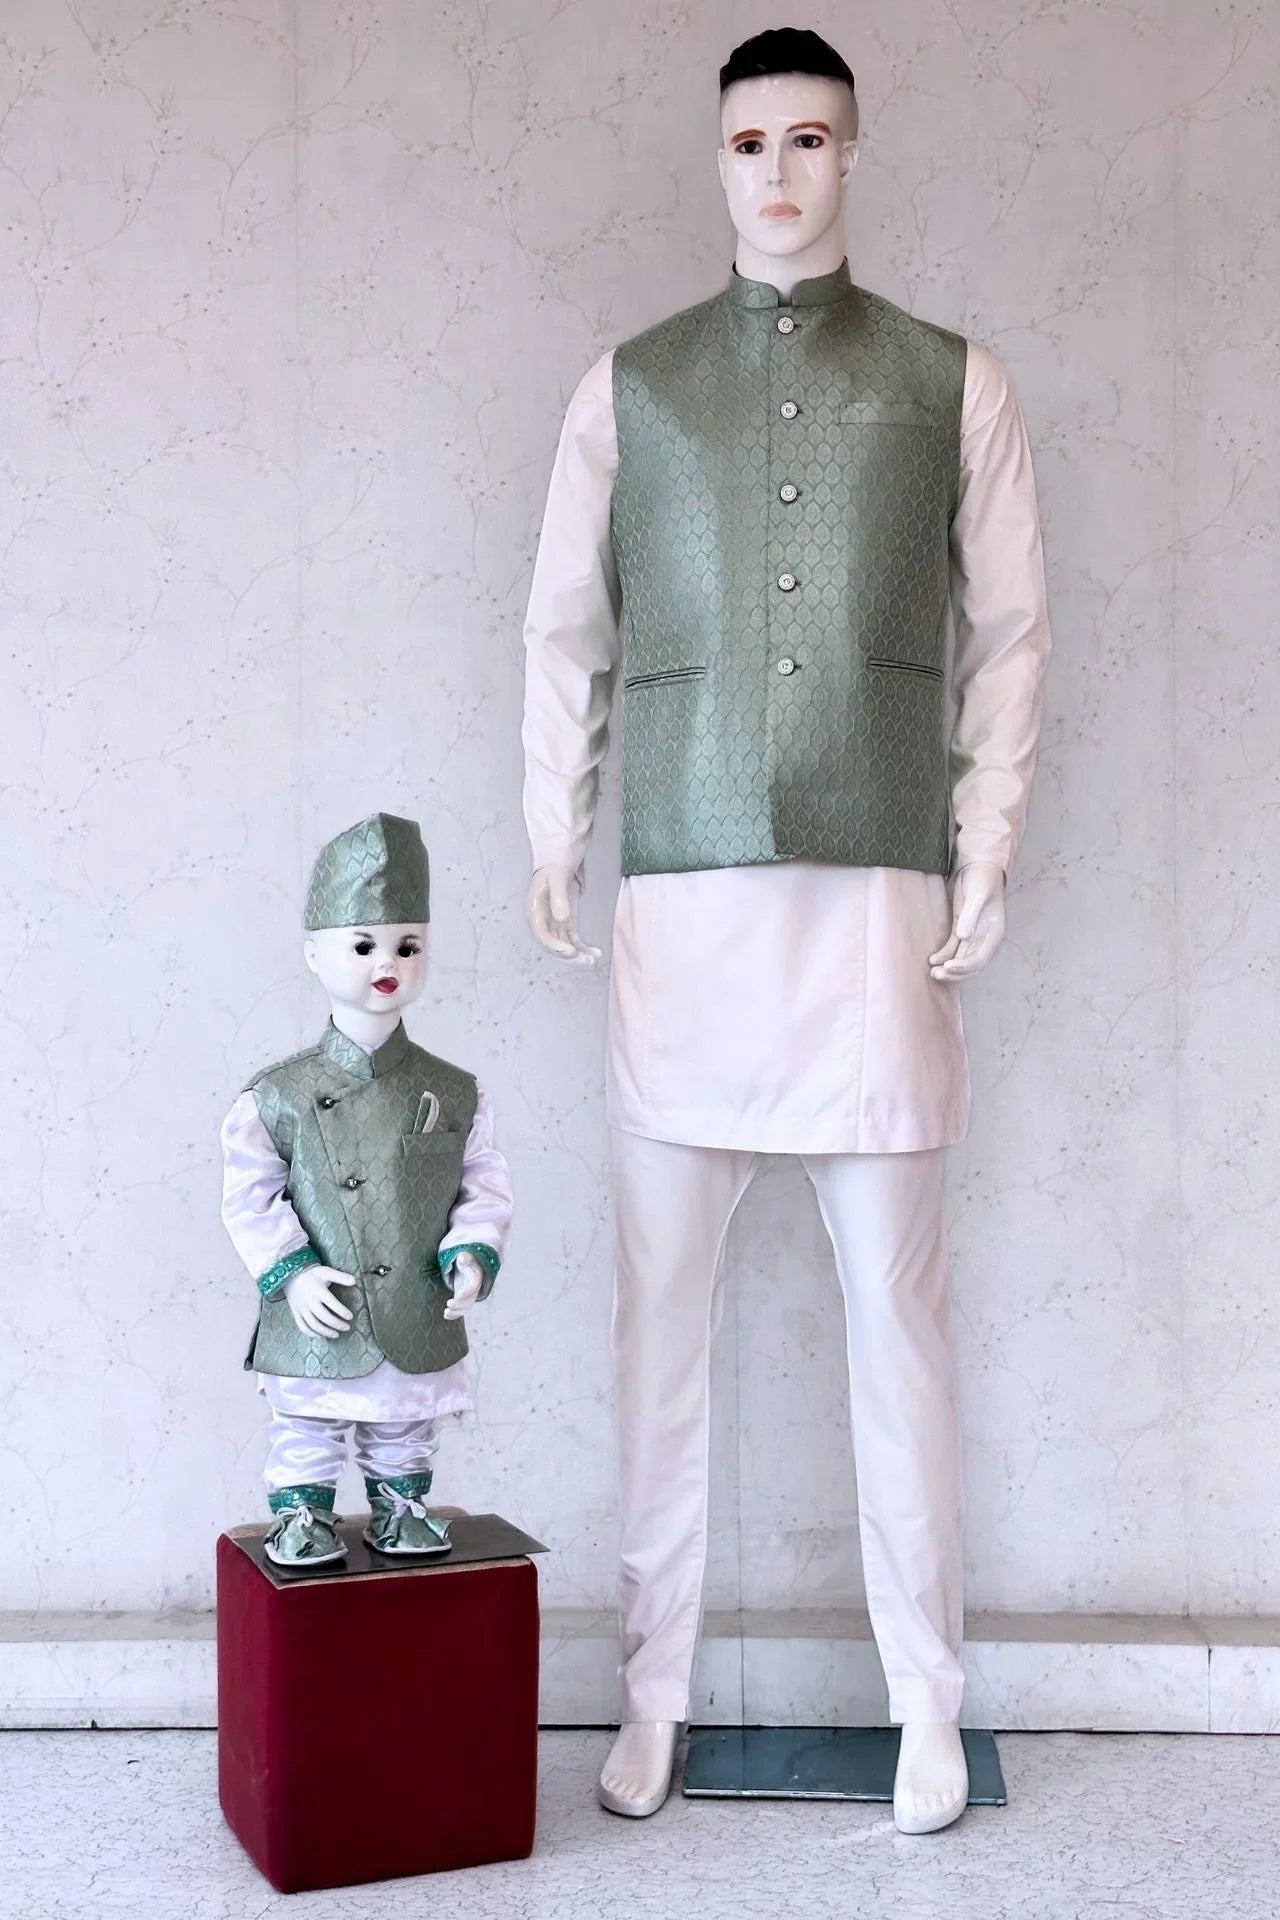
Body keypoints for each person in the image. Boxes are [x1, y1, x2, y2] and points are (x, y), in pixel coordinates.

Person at [521, 28, 1050, 1832]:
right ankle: (651, 1694)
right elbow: (563, 630)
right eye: (750, 141)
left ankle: (926, 1702)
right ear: (717, 160)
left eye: (810, 139)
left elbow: (1013, 641)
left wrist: (986, 850)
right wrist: (554, 831)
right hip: (682, 907)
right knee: (657, 1333)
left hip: (882, 910)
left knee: (900, 1327)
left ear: (853, 153)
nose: (778, 173)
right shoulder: (632, 389)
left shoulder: (954, 382)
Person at [220, 811, 512, 1568]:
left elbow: (481, 1182)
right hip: (320, 1308)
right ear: (314, 954)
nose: (388, 962)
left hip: (415, 1300)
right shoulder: (278, 1094)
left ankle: (401, 1509)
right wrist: (291, 1271)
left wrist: (472, 1250)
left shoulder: (454, 1090)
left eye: (407, 946)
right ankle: (301, 1518)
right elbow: (251, 1195)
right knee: (307, 1424)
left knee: (405, 1421)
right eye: (363, 945)